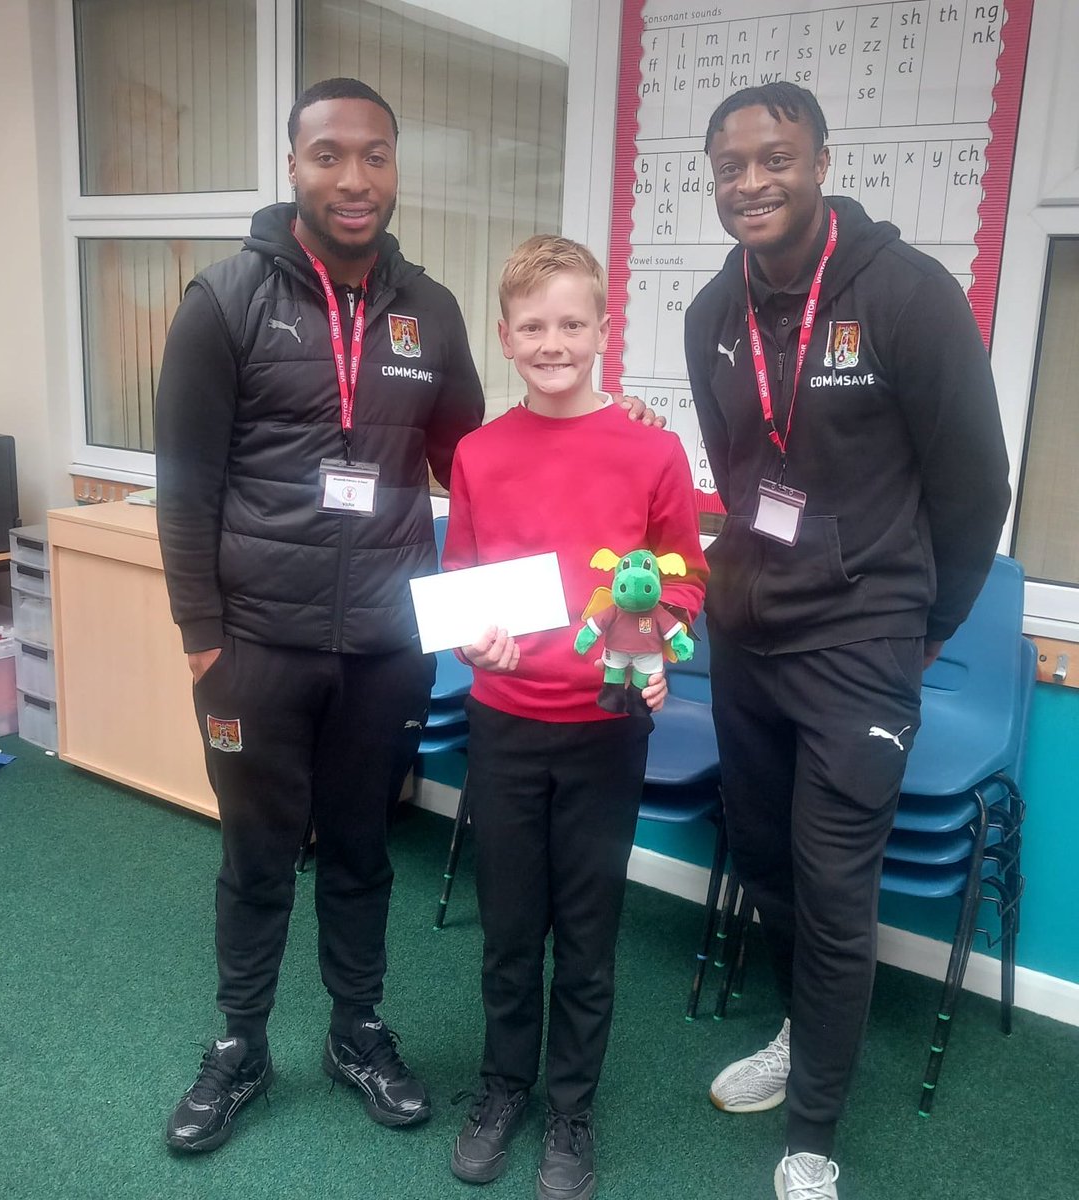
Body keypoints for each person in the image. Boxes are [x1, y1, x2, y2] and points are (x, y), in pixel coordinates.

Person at [154, 77, 663, 1156]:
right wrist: (204, 637)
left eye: (375, 156)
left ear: (395, 169)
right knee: (254, 853)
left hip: (384, 647)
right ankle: (240, 1046)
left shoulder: (426, 312)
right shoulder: (224, 300)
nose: (353, 177)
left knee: (360, 850)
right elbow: (185, 483)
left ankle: (356, 1030)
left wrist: (617, 423)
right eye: (329, 154)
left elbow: (483, 458)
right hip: (253, 645)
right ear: (294, 165)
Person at [683, 82, 1010, 1200]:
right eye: (730, 166)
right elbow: (737, 476)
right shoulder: (709, 315)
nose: (751, 183)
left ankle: (812, 1132)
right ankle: (798, 1036)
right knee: (768, 862)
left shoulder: (910, 297)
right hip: (747, 638)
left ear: (820, 160)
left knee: (834, 888)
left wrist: (923, 630)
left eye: (774, 159)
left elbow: (976, 487)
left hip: (863, 647)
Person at [442, 235, 707, 1200]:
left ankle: (570, 1110)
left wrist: (658, 645)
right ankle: (503, 1088)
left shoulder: (652, 449)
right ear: (506, 338)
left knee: (586, 933)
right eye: (533, 326)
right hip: (505, 720)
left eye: (572, 323)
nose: (554, 342)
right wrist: (476, 639)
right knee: (510, 928)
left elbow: (684, 575)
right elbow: (466, 574)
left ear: (603, 329)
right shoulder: (477, 452)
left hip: (605, 729)